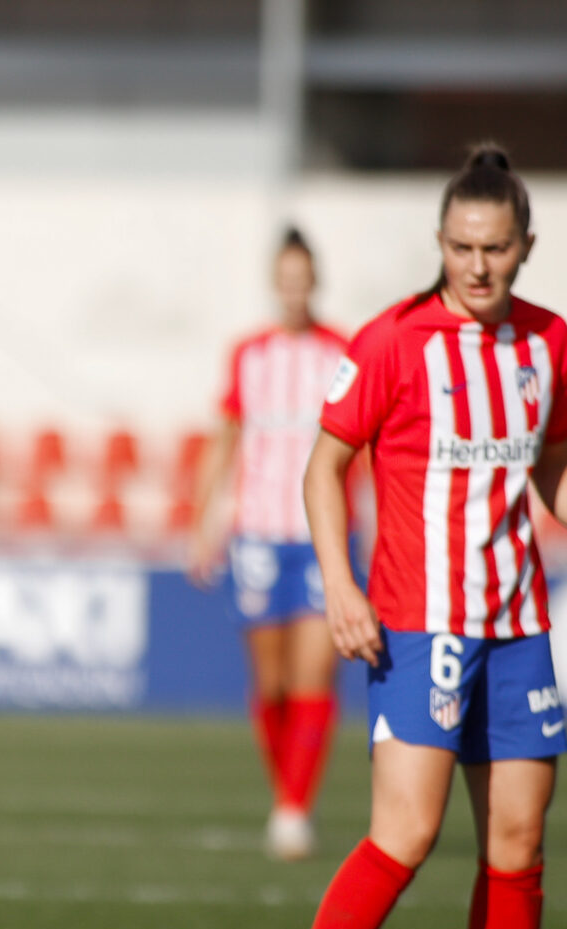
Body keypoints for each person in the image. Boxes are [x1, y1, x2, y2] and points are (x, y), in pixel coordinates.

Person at [251, 145, 567, 929]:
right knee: (407, 833)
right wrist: (340, 583)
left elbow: (551, 463)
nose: (477, 266)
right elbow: (323, 467)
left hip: (517, 623)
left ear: (524, 246)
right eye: (462, 247)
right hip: (421, 623)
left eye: (496, 248)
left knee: (517, 838)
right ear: (440, 242)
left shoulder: (547, 342)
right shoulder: (391, 342)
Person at [190, 229, 349, 861]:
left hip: (321, 535)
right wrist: (201, 522)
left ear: (315, 282)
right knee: (273, 682)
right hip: (256, 532)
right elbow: (224, 439)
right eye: (284, 279)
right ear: (273, 284)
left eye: (302, 278)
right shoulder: (249, 355)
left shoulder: (342, 352)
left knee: (315, 674)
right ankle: (285, 792)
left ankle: (293, 809)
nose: (293, 290)